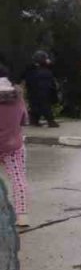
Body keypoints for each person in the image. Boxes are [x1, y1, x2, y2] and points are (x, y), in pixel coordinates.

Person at [0, 65, 29, 228]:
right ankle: (22, 216)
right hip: (13, 144)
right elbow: (24, 119)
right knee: (18, 179)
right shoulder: (17, 97)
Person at [21, 51, 58, 128]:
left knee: (35, 106)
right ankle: (50, 121)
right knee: (45, 106)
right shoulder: (45, 71)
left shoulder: (31, 69)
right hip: (43, 91)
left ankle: (34, 120)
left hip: (33, 92)